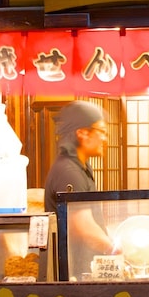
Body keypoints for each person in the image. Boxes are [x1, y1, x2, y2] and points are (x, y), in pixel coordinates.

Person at [44, 101, 117, 277]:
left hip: (84, 269)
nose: (104, 139)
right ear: (82, 133)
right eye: (101, 132)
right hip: (73, 273)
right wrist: (115, 249)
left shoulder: (81, 167)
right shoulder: (69, 171)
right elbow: (82, 226)